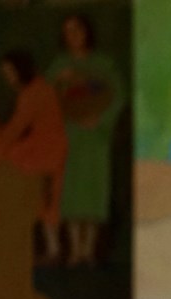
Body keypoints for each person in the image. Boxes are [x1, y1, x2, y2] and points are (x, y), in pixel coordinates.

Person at [47, 13, 125, 265]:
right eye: (68, 32)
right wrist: (59, 81)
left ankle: (88, 251)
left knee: (92, 193)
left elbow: (118, 96)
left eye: (77, 30)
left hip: (95, 137)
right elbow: (47, 98)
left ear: (87, 32)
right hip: (69, 135)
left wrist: (100, 121)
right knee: (71, 192)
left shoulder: (104, 63)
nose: (74, 36)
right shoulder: (59, 65)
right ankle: (74, 250)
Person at [0, 49, 68, 266]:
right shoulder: (37, 88)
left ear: (21, 70)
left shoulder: (34, 92)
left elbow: (16, 128)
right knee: (43, 199)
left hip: (48, 149)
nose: (8, 77)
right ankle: (51, 250)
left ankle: (48, 250)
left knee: (41, 197)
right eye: (5, 73)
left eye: (10, 71)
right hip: (48, 146)